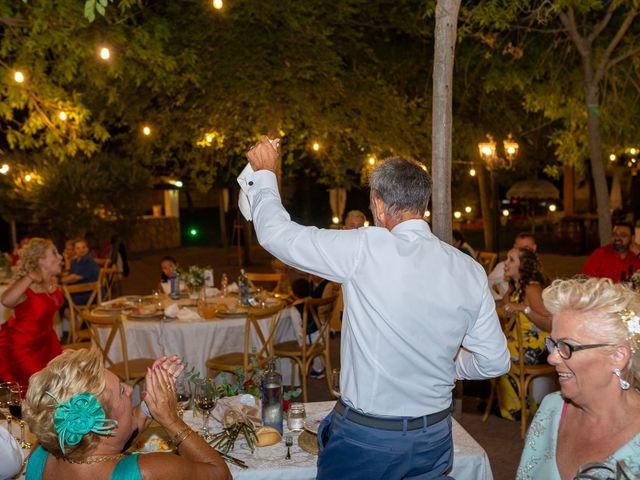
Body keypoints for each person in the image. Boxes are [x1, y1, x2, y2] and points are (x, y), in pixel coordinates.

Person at [239, 137, 510, 479]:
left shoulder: (365, 248)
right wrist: (446, 366)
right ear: (422, 205)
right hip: (435, 436)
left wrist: (265, 174)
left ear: (379, 206)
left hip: (369, 440)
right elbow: (495, 361)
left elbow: (277, 235)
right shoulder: (468, 268)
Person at [23, 349, 231, 480]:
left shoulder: (40, 454)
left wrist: (149, 406)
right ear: (106, 425)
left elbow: (104, 446)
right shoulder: (149, 471)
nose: (130, 389)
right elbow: (220, 475)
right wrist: (171, 420)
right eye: (122, 391)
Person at [517, 277, 640, 478]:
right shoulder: (551, 408)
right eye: (553, 344)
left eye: (567, 347)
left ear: (618, 356)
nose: (551, 357)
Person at [496, 247, 552, 420]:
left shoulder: (531, 289)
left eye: (511, 260)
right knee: (491, 352)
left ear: (523, 266)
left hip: (538, 346)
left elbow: (549, 323)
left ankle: (520, 409)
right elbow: (504, 311)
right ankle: (519, 407)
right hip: (519, 343)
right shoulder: (514, 287)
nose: (505, 263)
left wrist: (525, 309)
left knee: (498, 357)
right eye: (507, 259)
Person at [0, 238, 63, 389]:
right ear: (40, 260)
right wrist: (29, 277)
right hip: (24, 348)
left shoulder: (52, 281)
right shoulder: (28, 285)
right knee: (37, 391)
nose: (60, 257)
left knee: (58, 387)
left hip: (48, 343)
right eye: (54, 253)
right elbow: (6, 301)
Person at [488, 233, 537, 300]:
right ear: (514, 247)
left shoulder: (537, 269)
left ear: (534, 248)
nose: (522, 252)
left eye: (526, 248)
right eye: (520, 248)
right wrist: (497, 298)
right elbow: (486, 283)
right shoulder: (505, 267)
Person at [61, 239, 101, 305]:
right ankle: (71, 314)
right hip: (79, 291)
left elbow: (74, 278)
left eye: (83, 247)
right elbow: (71, 274)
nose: (81, 250)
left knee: (59, 299)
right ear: (74, 250)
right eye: (78, 248)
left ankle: (72, 314)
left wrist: (59, 281)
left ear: (87, 248)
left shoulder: (88, 261)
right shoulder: (75, 261)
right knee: (59, 297)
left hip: (89, 293)